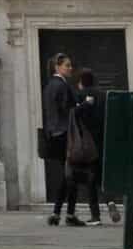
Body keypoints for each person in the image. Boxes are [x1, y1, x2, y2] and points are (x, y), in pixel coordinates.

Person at [42, 53, 84, 227]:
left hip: (53, 135)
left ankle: (58, 212)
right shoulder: (62, 86)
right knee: (71, 175)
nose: (70, 68)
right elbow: (68, 109)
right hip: (66, 135)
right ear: (57, 67)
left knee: (67, 174)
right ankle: (67, 214)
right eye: (67, 65)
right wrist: (83, 106)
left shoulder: (49, 86)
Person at [74, 70, 119, 225]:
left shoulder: (81, 95)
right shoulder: (104, 96)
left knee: (91, 179)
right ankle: (110, 201)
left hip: (87, 143)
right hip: (104, 141)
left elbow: (74, 115)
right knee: (102, 176)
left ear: (81, 82)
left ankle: (95, 216)